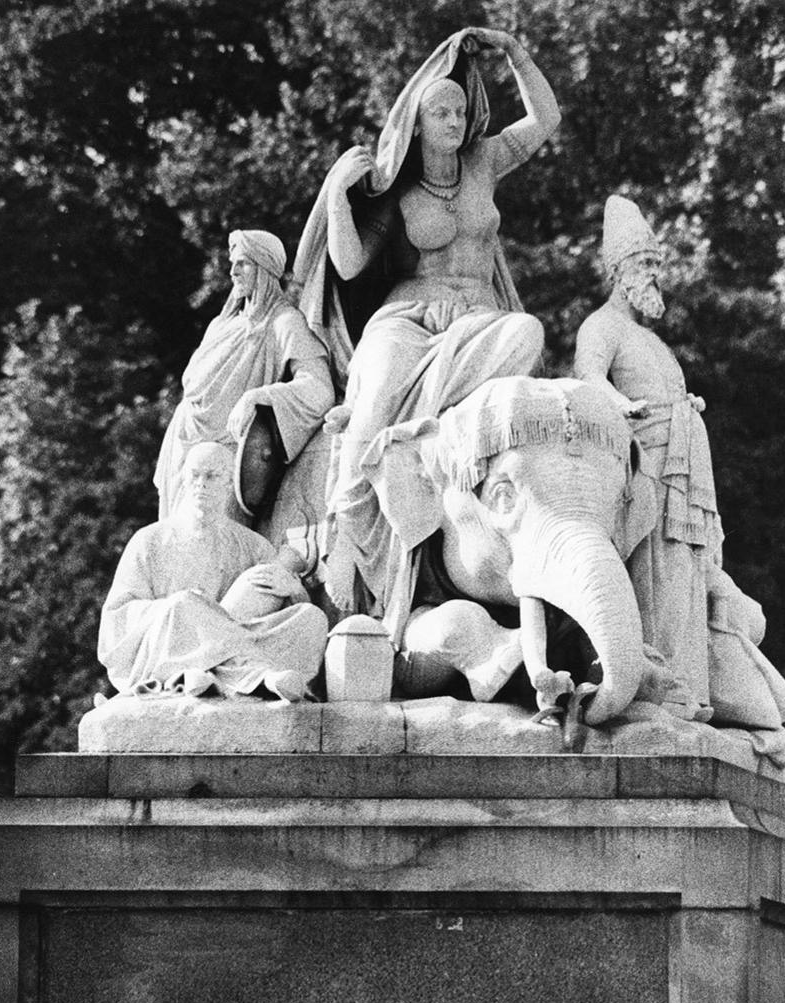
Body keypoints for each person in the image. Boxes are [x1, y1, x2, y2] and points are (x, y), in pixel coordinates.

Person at [294, 28, 559, 634]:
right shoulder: (399, 191)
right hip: (410, 317)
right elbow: (349, 263)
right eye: (440, 111)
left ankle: (430, 437)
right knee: (376, 396)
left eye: (460, 110)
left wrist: (514, 52)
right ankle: (348, 527)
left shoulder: (483, 162)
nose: (454, 119)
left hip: (479, 318)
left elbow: (545, 118)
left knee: (528, 333)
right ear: (417, 121)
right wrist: (337, 193)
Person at [574, 195, 723, 720]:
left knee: (683, 570)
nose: (655, 274)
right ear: (618, 272)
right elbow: (587, 378)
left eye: (657, 264)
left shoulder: (653, 339)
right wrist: (624, 404)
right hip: (646, 462)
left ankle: (689, 688)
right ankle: (653, 684)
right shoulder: (602, 326)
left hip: (681, 461)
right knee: (654, 571)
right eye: (645, 264)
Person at [98, 441, 329, 702]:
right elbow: (117, 617)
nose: (201, 483)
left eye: (212, 476)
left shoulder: (253, 545)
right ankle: (255, 676)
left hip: (243, 632)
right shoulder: (149, 540)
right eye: (194, 475)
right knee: (185, 604)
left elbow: (274, 607)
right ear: (184, 480)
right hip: (172, 644)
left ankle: (206, 674)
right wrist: (180, 611)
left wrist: (294, 590)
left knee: (312, 619)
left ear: (229, 484)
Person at [154, 229, 335, 520]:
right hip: (182, 445)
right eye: (233, 263)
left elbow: (319, 387)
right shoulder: (221, 324)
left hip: (225, 456)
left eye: (243, 263)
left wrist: (260, 397)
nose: (233, 271)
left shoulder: (284, 323)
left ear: (265, 269)